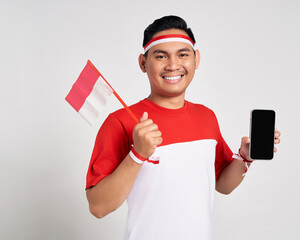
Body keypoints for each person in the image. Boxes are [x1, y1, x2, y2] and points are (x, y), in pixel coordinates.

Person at [85, 15, 281, 240]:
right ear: (143, 63)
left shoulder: (206, 116)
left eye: (183, 54)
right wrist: (137, 154)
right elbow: (98, 207)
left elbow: (223, 185)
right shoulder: (120, 122)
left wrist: (244, 157)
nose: (173, 65)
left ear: (196, 60)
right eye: (161, 56)